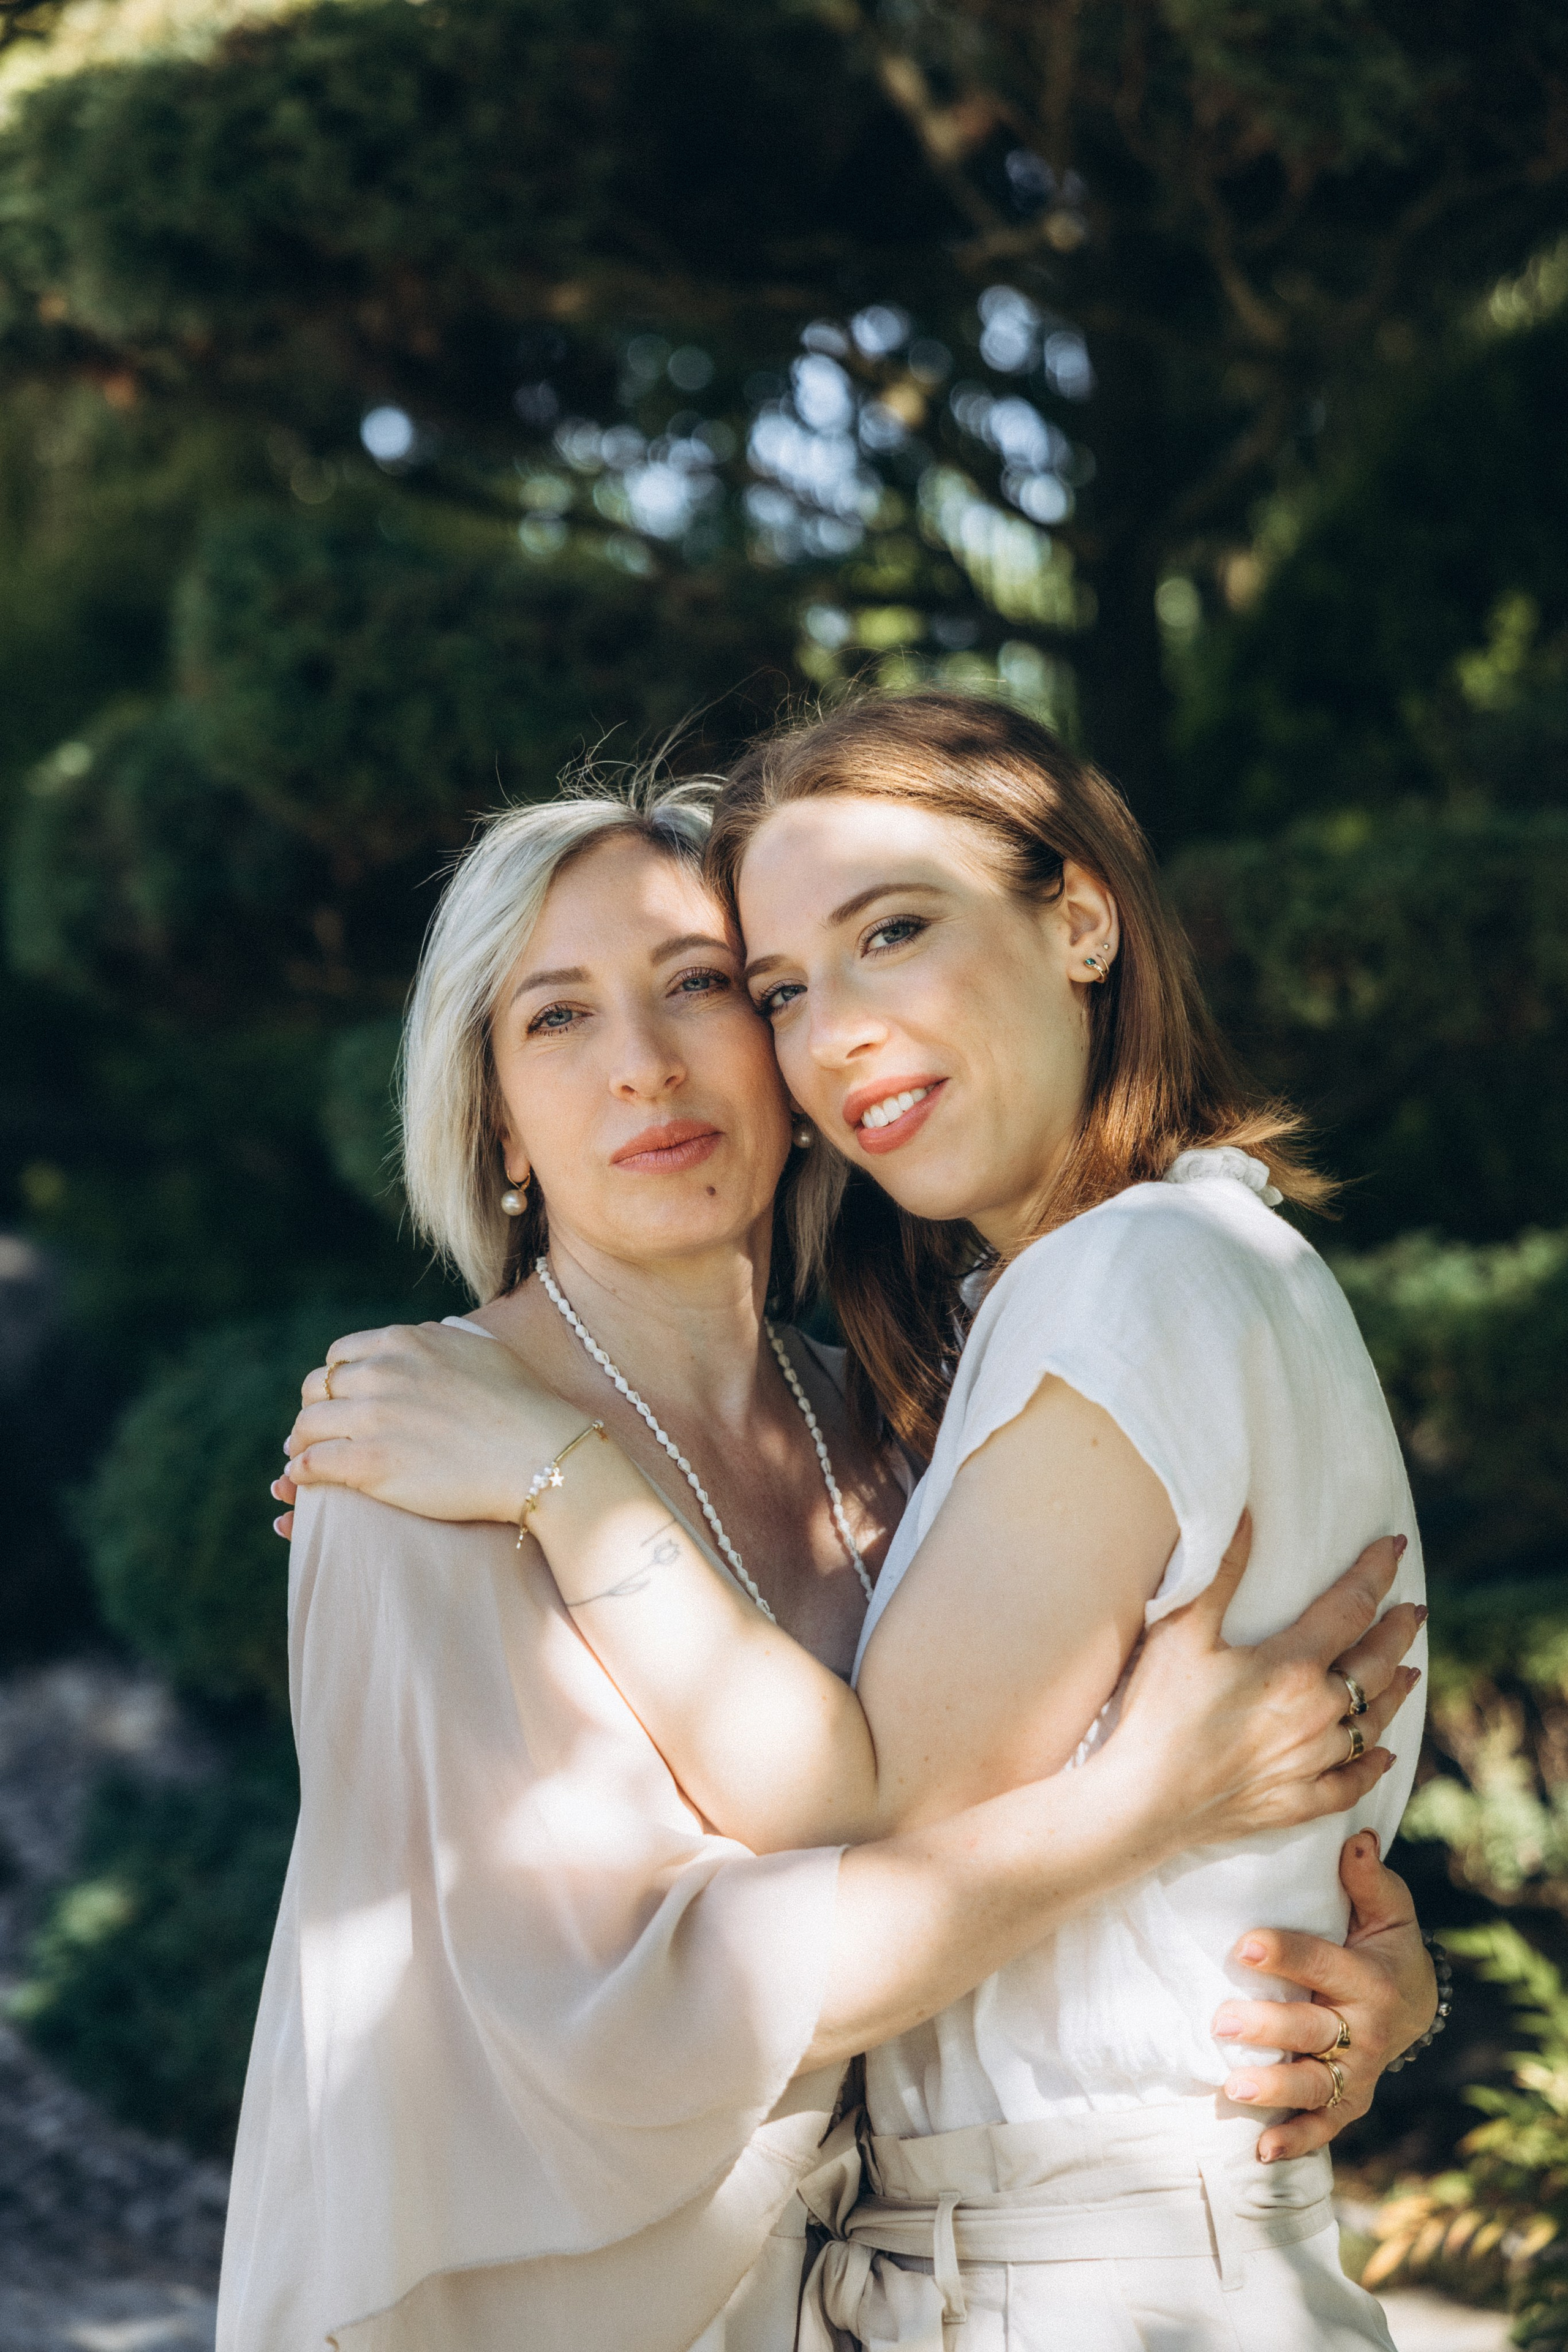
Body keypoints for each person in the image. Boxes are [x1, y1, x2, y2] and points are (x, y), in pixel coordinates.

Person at [267, 757, 1434, 2351]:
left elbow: (1060, 1930)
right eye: (559, 1018)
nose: (647, 1068)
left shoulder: (898, 1430)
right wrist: (1150, 1802)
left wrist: (1335, 1959)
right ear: (499, 1127)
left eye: (700, 989)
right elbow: (623, 2027)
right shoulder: (417, 1464)